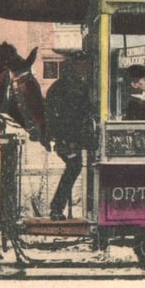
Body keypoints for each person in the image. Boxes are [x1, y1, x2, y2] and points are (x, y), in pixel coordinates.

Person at [43, 51, 93, 221]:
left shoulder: (80, 85)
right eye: (80, 66)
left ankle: (58, 207)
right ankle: (57, 208)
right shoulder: (62, 88)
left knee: (77, 167)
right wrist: (64, 139)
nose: (83, 69)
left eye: (84, 66)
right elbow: (55, 116)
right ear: (73, 66)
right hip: (67, 139)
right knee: (74, 167)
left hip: (78, 138)